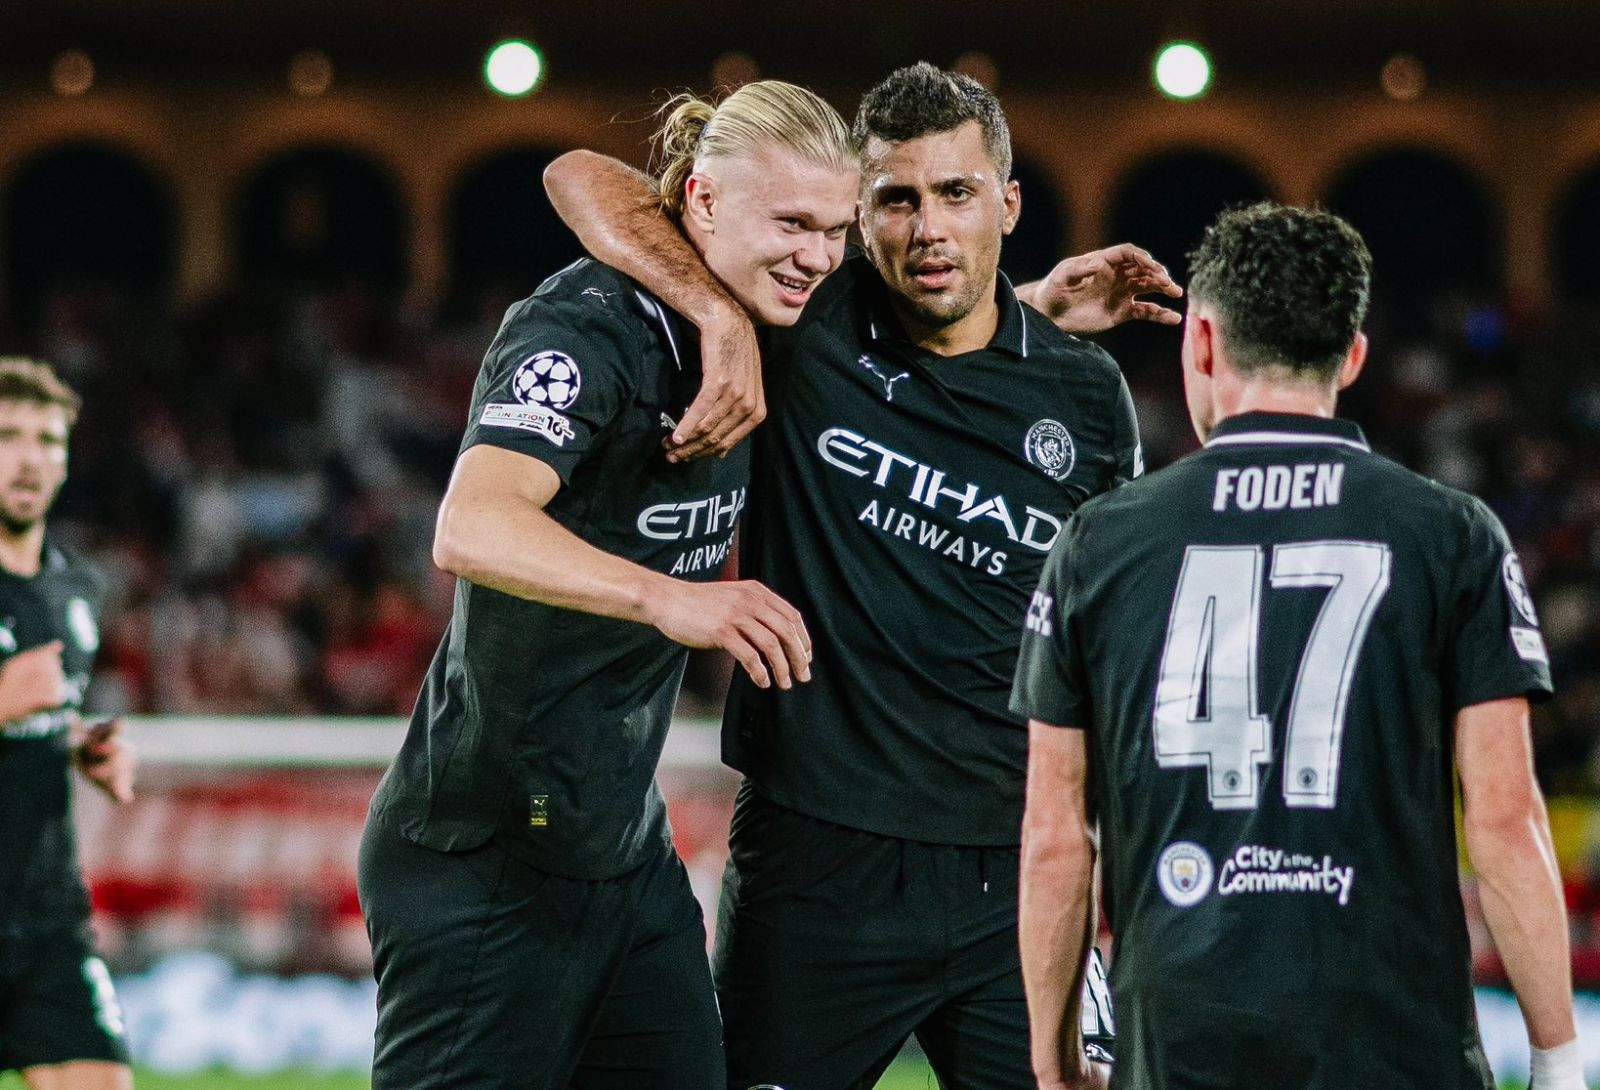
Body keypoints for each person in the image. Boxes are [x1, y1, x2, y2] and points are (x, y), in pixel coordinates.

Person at [544, 62, 1179, 1089]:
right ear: (859, 217)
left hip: (1012, 868)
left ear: (1010, 204)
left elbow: (1100, 633)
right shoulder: (805, 322)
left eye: (957, 193)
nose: (928, 229)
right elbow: (579, 175)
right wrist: (716, 316)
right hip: (814, 866)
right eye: (896, 199)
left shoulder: (1084, 393)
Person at [1012, 203, 1583, 1090]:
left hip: (1182, 1038)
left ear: (1202, 342)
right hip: (1395, 1039)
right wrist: (1556, 1059)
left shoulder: (1098, 542)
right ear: (1352, 356)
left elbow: (1057, 834)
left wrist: (1054, 1064)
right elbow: (1506, 819)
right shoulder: (1452, 534)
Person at [357, 81, 855, 1090]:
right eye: (793, 224)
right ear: (703, 201)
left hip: (624, 858)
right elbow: (471, 523)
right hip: (486, 859)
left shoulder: (771, 310)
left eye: (836, 230)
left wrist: (1037, 308)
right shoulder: (584, 329)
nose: (818, 255)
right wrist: (672, 596)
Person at [0, 358, 137, 1090]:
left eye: (47, 440)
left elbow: (44, 715)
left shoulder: (75, 587)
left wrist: (83, 746)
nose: (29, 459)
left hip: (47, 916)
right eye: (7, 437)